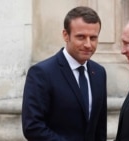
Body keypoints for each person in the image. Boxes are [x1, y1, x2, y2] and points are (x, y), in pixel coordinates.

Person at [22, 6, 107, 141]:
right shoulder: (42, 73)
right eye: (81, 37)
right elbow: (33, 127)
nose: (88, 44)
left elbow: (100, 127)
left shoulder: (99, 72)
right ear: (65, 35)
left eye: (93, 38)